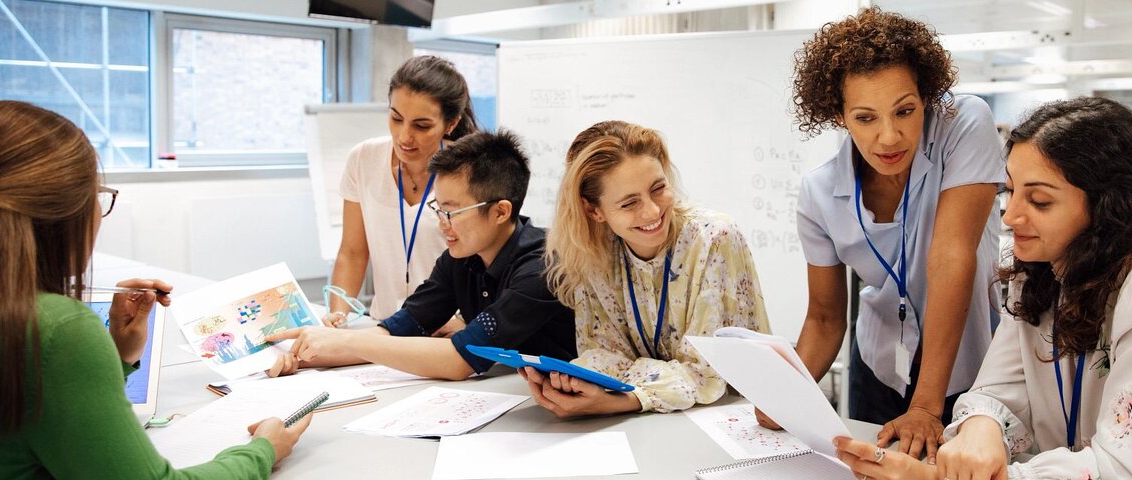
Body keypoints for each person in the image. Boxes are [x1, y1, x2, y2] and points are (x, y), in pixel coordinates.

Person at [833, 97, 1132, 479]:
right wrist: (984, 426)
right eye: (1011, 193)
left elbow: (1120, 468)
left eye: (1040, 200)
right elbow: (997, 389)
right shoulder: (1039, 268)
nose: (1010, 217)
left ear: (1106, 205)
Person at [0, 101, 309, 478]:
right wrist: (262, 452)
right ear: (63, 214)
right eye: (98, 195)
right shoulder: (53, 329)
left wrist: (118, 358)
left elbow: (20, 419)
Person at [762, 6, 1004, 462]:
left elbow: (950, 256)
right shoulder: (819, 193)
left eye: (905, 111)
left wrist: (927, 407)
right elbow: (825, 318)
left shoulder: (963, 125)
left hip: (967, 366)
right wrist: (786, 396)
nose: (889, 137)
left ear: (926, 97)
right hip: (877, 367)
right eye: (865, 118)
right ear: (839, 115)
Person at [265, 131, 575, 381]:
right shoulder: (462, 256)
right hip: (517, 392)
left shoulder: (542, 266)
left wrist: (344, 341)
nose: (442, 224)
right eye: (438, 208)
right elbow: (393, 331)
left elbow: (458, 360)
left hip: (578, 413)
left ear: (500, 211)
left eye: (451, 211)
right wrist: (304, 355)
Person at [522, 120, 771, 418]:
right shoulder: (594, 253)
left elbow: (705, 374)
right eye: (629, 203)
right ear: (594, 211)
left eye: (658, 188)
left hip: (730, 420)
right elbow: (604, 357)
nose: (652, 211)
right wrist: (571, 382)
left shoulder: (713, 238)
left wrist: (618, 399)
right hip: (645, 422)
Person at [325, 55, 478, 329]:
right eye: (396, 118)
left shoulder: (470, 171)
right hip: (384, 327)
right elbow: (353, 252)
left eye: (422, 126)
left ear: (451, 123)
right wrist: (338, 315)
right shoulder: (363, 159)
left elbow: (483, 263)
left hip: (446, 331)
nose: (405, 136)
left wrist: (466, 322)